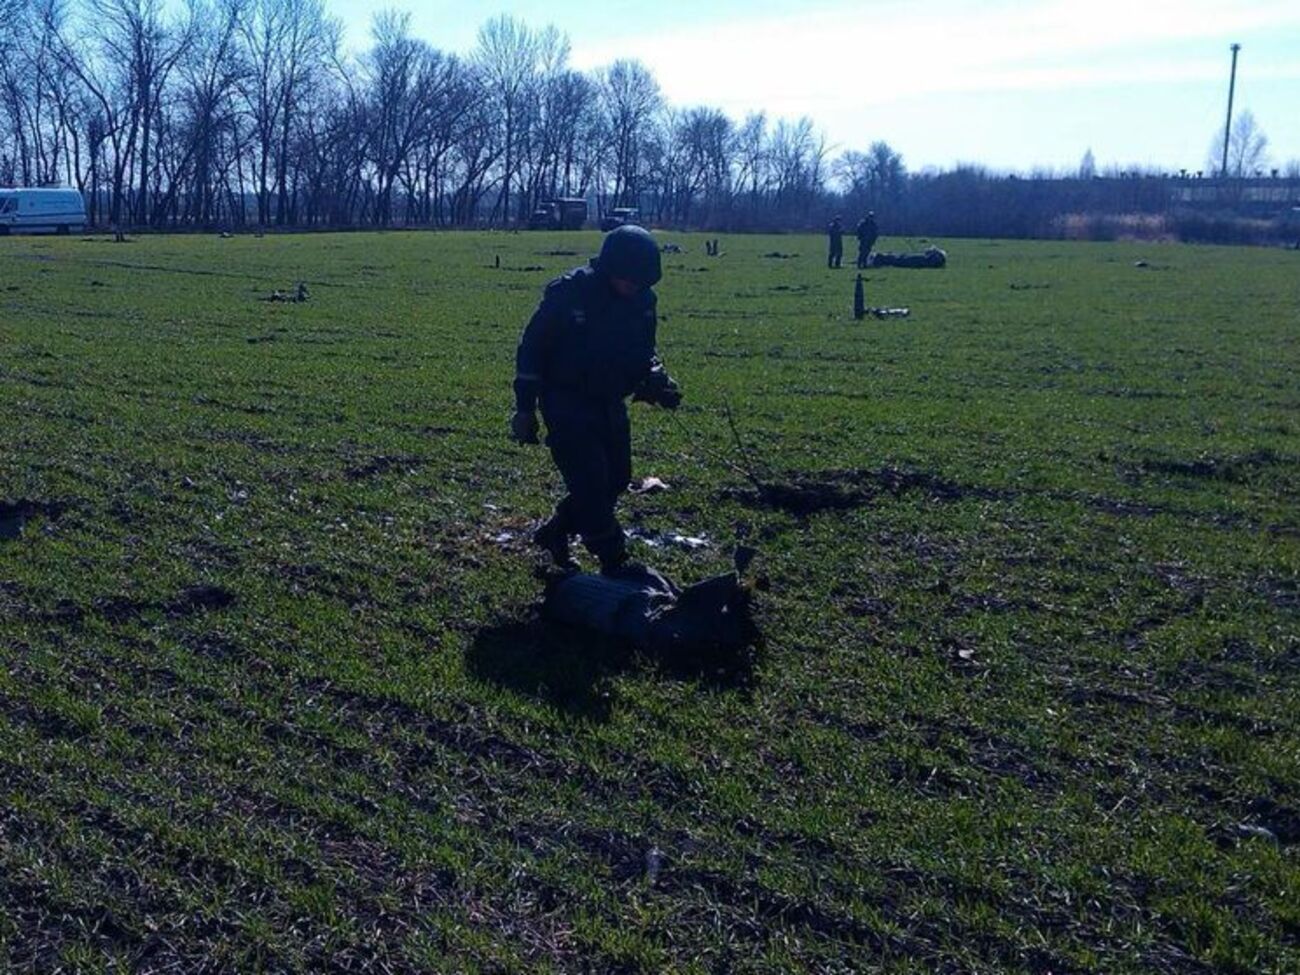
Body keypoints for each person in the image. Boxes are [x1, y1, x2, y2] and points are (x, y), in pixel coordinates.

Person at [510, 225, 682, 574]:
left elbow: (644, 351)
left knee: (616, 479)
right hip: (566, 400)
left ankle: (556, 532)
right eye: (628, 280)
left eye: (642, 282)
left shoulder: (643, 302)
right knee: (588, 481)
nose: (634, 287)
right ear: (609, 269)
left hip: (609, 401)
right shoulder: (569, 294)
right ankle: (612, 557)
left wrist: (656, 379)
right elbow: (531, 349)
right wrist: (525, 408)